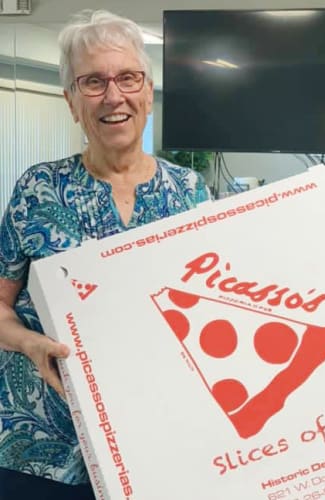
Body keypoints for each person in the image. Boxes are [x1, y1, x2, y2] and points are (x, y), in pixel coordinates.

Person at [0, 9, 210, 500]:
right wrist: (29, 343)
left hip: (157, 444)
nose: (113, 96)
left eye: (128, 78)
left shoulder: (191, 192)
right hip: (40, 448)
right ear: (71, 102)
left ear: (149, 93)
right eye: (92, 82)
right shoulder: (37, 189)